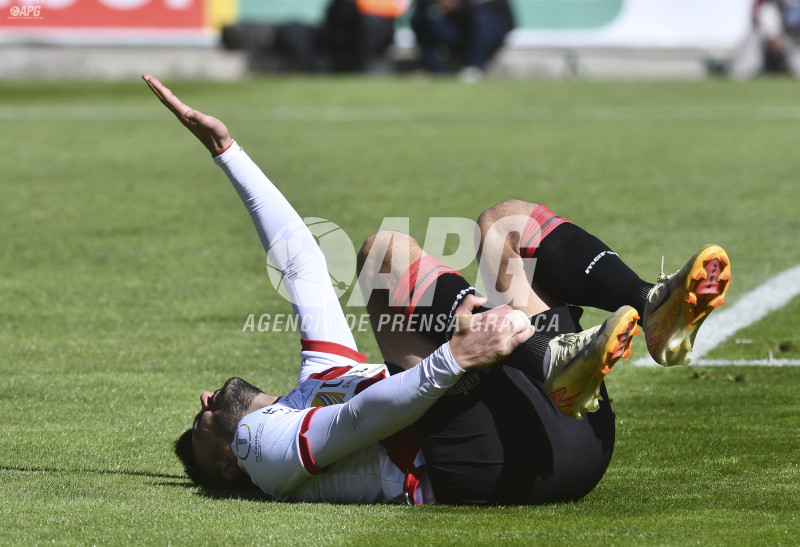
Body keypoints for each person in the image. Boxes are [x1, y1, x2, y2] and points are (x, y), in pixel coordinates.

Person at [142, 74, 731, 505]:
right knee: (384, 256)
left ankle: (650, 307)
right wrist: (454, 356)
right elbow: (358, 423)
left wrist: (226, 152)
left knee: (507, 223)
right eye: (200, 428)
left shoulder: (318, 378)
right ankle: (545, 357)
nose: (204, 402)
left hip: (563, 428)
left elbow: (301, 265)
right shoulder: (261, 454)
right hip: (496, 464)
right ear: (225, 465)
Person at [410, 0, 514, 81]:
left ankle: (474, 67)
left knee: (483, 16)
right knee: (420, 16)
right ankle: (435, 69)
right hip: (456, 30)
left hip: (487, 29)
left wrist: (458, 5)